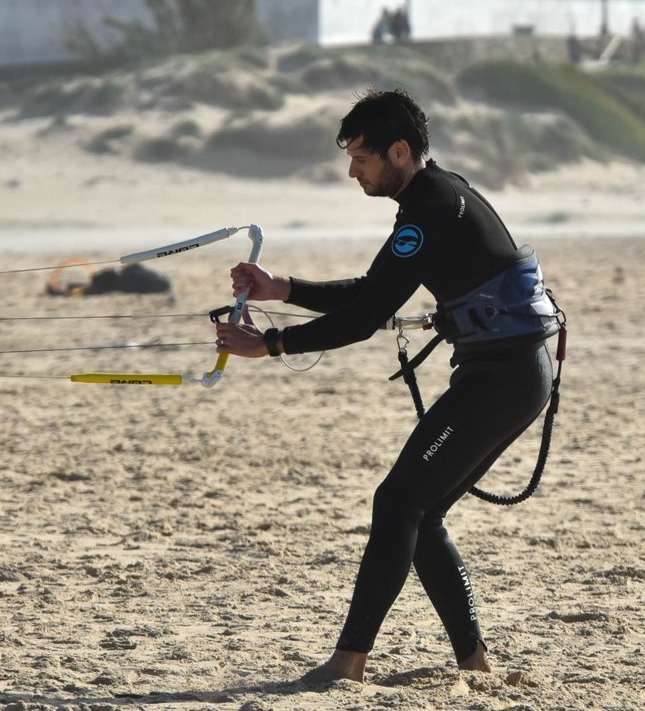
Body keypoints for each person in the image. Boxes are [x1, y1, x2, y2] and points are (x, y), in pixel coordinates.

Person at [213, 88, 561, 684]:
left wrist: (268, 345)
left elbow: (359, 318)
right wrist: (283, 289)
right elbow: (377, 292)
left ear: (399, 151)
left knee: (398, 502)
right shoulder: (434, 197)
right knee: (416, 513)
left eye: (361, 158)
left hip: (503, 378)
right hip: (508, 373)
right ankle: (473, 664)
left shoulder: (429, 209)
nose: (352, 171)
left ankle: (349, 662)